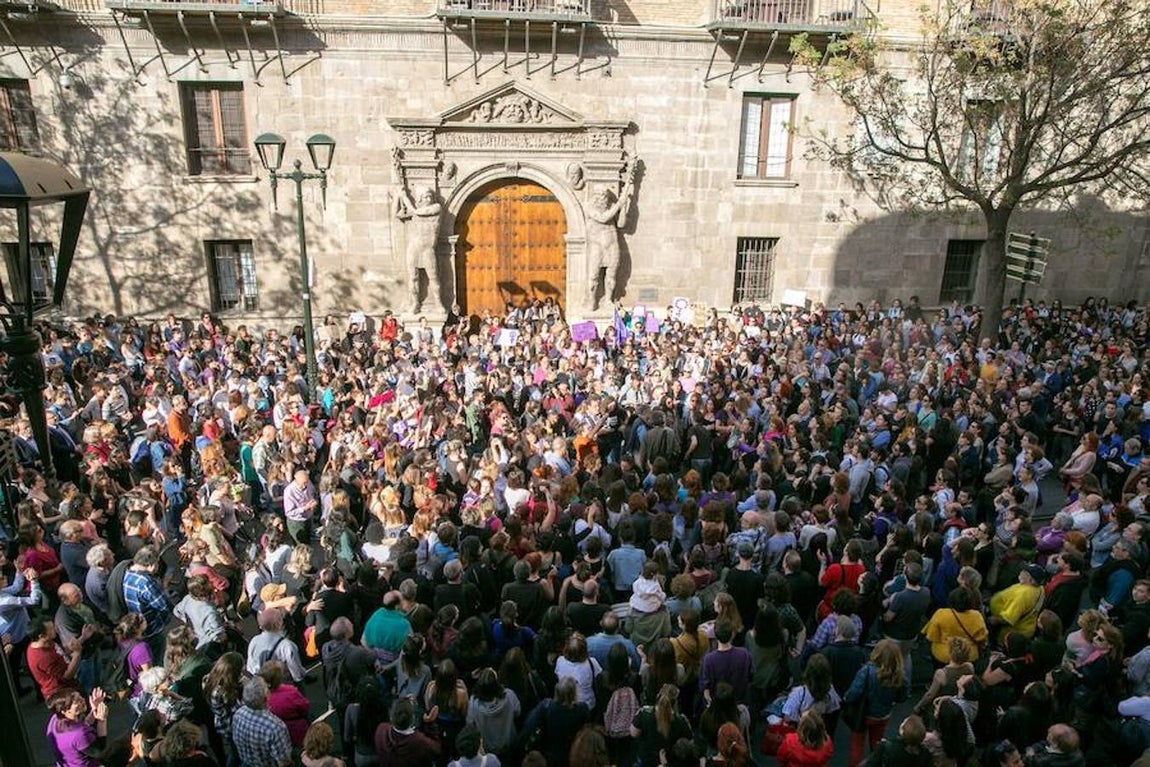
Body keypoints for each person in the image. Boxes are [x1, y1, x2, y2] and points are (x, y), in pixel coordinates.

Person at [843, 639, 908, 767]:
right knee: (877, 746)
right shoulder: (900, 676)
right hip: (883, 715)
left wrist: (846, 699)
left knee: (857, 746)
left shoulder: (867, 671)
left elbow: (853, 693)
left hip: (863, 715)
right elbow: (902, 698)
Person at [395, 185, 444, 313]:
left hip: (428, 248)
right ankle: (415, 303)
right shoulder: (414, 211)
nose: (428, 198)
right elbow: (398, 214)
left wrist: (406, 198)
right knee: (413, 277)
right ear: (420, 199)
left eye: (430, 196)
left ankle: (438, 302)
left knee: (434, 277)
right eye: (425, 196)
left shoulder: (436, 208)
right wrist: (398, 196)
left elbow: (419, 212)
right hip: (414, 247)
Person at [231, 676, 292, 767]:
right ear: (266, 697)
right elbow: (284, 762)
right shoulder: (275, 727)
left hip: (246, 763)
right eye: (267, 688)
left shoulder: (238, 714)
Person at [375, 696, 443, 767]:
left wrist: (402, 702)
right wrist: (430, 724)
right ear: (413, 718)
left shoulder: (381, 730)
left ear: (391, 717)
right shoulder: (420, 741)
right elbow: (437, 750)